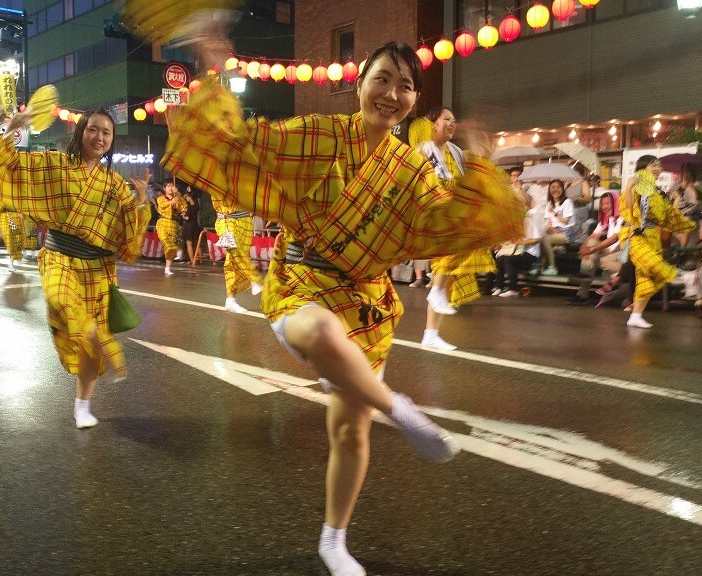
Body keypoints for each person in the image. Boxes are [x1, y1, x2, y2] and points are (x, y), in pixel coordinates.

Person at [164, 36, 524, 576]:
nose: (392, 94)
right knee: (324, 336)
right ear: (359, 85)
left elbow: (443, 219)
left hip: (367, 300)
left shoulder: (410, 168)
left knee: (350, 431)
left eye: (405, 86)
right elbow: (245, 144)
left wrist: (483, 173)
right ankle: (399, 409)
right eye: (382, 79)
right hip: (302, 283)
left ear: (412, 102)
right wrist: (213, 76)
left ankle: (334, 540)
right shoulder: (318, 133)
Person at [0, 108, 150, 428]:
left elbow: (128, 241)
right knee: (63, 301)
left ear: (112, 140)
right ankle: (101, 341)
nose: (99, 137)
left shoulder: (115, 185)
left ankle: (82, 404)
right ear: (81, 132)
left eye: (106, 133)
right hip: (59, 257)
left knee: (89, 349)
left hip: (97, 269)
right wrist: (12, 132)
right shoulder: (54, 163)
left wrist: (142, 203)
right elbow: (10, 167)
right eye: (93, 129)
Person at [417, 106, 495, 351]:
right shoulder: (422, 150)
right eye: (446, 119)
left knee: (447, 275)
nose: (451, 124)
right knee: (453, 249)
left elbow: (472, 173)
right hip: (430, 213)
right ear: (433, 124)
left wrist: (477, 141)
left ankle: (431, 332)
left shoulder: (455, 151)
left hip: (451, 213)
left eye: (453, 120)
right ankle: (436, 293)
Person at [617, 155, 694, 329]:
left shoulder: (657, 192)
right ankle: (679, 276)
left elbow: (666, 218)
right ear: (643, 168)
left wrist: (677, 200)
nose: (658, 168)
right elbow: (628, 208)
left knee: (648, 278)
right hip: (634, 233)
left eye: (659, 165)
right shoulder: (638, 184)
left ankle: (635, 316)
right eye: (653, 165)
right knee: (652, 262)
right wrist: (628, 188)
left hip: (652, 235)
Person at [212, 195, 263, 312]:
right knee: (233, 247)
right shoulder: (217, 178)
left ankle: (230, 300)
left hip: (245, 220)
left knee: (233, 261)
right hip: (226, 220)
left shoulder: (243, 179)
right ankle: (254, 278)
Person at [570, 191, 623, 302]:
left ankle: (585, 274)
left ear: (615, 203)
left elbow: (613, 239)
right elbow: (593, 236)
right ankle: (582, 292)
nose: (605, 207)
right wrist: (583, 248)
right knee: (592, 243)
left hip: (621, 257)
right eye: (602, 204)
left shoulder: (621, 218)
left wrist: (591, 250)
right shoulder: (604, 221)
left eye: (608, 203)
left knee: (595, 253)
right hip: (609, 254)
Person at [539, 179, 575, 275]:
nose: (555, 189)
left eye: (558, 187)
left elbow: (565, 221)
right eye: (553, 187)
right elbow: (548, 222)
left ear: (562, 189)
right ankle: (539, 266)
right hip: (554, 232)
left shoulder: (567, 202)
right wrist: (549, 230)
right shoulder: (549, 204)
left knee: (545, 240)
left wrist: (554, 212)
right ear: (549, 190)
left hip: (566, 232)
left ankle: (552, 267)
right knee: (540, 237)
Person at [153, 179, 186, 276]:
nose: (170, 188)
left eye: (172, 186)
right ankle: (178, 249)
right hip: (163, 224)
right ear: (164, 188)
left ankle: (167, 268)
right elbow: (163, 205)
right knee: (168, 244)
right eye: (168, 186)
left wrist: (178, 196)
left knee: (170, 249)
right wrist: (172, 201)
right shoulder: (160, 198)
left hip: (173, 225)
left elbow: (183, 207)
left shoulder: (178, 198)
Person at [0, 199, 27, 272]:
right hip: (6, 218)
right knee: (10, 242)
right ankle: (11, 262)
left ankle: (12, 261)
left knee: (17, 240)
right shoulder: (3, 196)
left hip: (17, 218)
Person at [181, 185, 202, 264]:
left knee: (189, 243)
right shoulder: (196, 205)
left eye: (187, 196)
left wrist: (183, 215)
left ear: (190, 197)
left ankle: (192, 260)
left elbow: (187, 218)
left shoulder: (188, 207)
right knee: (197, 243)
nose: (186, 198)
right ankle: (200, 259)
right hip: (195, 224)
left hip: (188, 226)